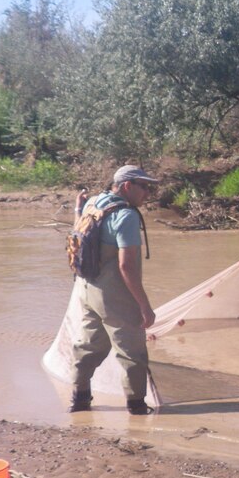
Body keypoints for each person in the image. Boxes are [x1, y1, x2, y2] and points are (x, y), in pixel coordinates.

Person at [69, 165, 158, 415]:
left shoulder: (94, 202)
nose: (148, 193)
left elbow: (77, 232)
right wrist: (144, 306)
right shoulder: (127, 216)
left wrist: (78, 206)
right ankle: (137, 407)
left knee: (87, 346)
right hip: (114, 296)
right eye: (145, 186)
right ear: (127, 186)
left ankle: (79, 399)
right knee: (132, 353)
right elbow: (126, 266)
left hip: (86, 290)